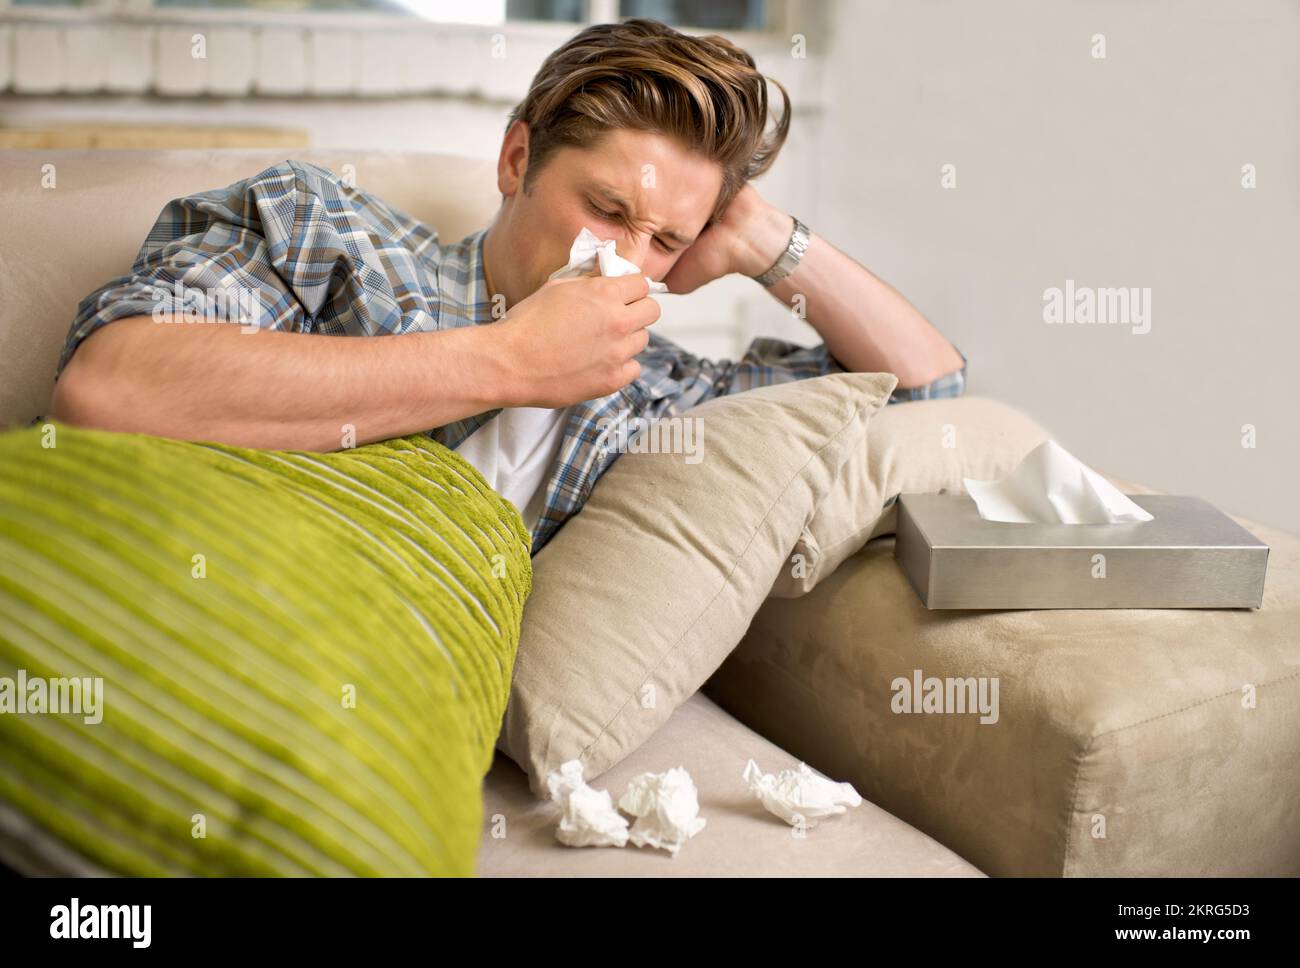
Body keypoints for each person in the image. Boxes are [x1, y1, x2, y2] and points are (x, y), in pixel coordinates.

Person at [48, 18, 967, 555]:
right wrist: (507, 360)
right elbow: (113, 387)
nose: (628, 257)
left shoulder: (656, 393)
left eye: (665, 241)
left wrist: (764, 237)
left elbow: (931, 394)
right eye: (608, 208)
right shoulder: (325, 229)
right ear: (517, 157)